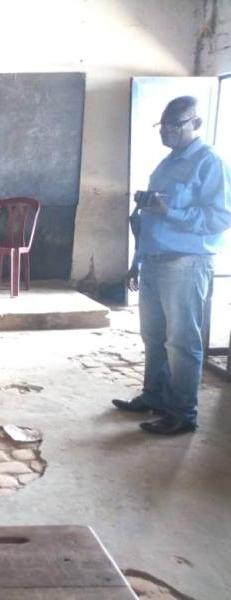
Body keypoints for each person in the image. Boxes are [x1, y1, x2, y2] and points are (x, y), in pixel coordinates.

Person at [113, 96, 231, 435]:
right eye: (162, 126)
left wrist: (172, 212)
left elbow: (221, 217)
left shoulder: (210, 163)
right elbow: (150, 218)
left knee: (182, 342)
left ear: (195, 124)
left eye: (174, 126)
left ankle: (182, 414)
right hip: (154, 260)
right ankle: (154, 396)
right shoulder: (167, 164)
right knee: (154, 336)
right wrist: (137, 261)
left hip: (186, 263)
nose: (166, 132)